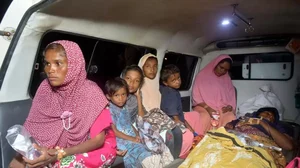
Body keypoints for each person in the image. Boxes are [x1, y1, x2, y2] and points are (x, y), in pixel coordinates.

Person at [9, 40, 116, 168]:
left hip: (78, 150)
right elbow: (35, 127)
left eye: (58, 63)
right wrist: (29, 152)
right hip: (47, 149)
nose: (50, 70)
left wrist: (59, 154)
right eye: (47, 63)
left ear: (74, 65)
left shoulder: (91, 93)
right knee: (16, 163)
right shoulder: (45, 88)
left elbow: (98, 141)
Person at [179, 107, 294, 168]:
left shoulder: (277, 127)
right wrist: (230, 129)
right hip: (233, 140)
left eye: (272, 116)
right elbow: (227, 128)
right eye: (266, 113)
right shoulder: (244, 119)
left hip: (256, 145)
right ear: (258, 113)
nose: (269, 116)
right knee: (207, 155)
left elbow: (288, 145)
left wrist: (263, 123)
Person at [105, 77, 173, 168]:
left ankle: (162, 156)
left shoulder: (124, 107)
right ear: (108, 96)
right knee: (137, 148)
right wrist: (132, 139)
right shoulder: (110, 110)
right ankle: (152, 162)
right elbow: (115, 132)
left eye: (123, 94)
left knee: (149, 140)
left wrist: (137, 135)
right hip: (120, 139)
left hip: (130, 135)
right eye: (116, 95)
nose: (121, 98)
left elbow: (129, 124)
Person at [121, 65, 183, 158]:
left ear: (140, 84)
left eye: (136, 81)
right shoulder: (118, 96)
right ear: (122, 78)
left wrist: (138, 97)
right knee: (163, 135)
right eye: (128, 78)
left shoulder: (137, 94)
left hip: (140, 119)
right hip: (128, 125)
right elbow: (124, 120)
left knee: (175, 130)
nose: (131, 83)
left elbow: (142, 116)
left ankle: (172, 159)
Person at [160, 64, 203, 158]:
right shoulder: (171, 94)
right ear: (165, 83)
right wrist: (186, 127)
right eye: (173, 80)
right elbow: (176, 119)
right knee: (187, 133)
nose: (178, 82)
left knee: (195, 115)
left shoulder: (169, 90)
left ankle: (197, 137)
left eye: (178, 78)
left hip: (176, 116)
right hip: (173, 120)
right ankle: (183, 152)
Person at [192, 54, 236, 135]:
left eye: (226, 70)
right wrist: (208, 109)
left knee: (230, 118)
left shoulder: (227, 78)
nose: (222, 71)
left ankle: (223, 140)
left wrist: (229, 107)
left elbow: (231, 96)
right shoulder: (202, 76)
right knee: (204, 118)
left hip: (221, 107)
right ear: (216, 64)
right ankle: (199, 139)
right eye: (221, 67)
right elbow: (197, 98)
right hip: (203, 106)